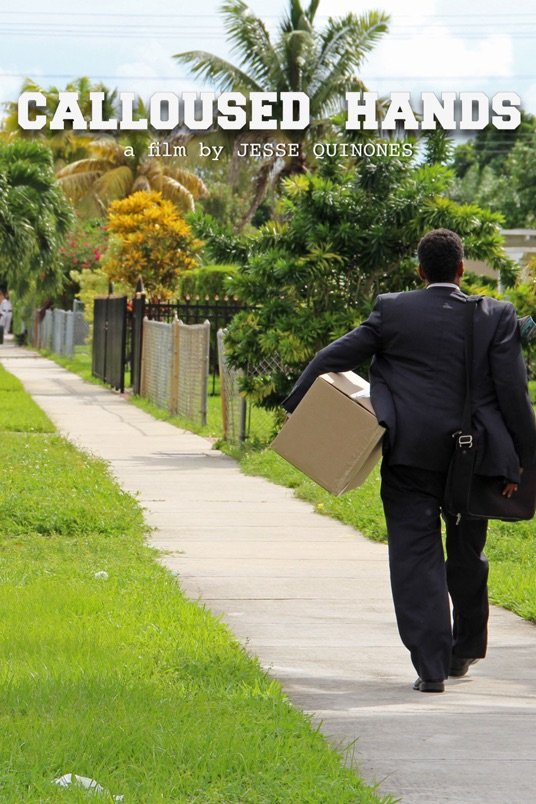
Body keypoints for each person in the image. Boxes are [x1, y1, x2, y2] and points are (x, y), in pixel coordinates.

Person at [282, 229, 536, 693]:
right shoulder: (497, 315)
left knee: (415, 556)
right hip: (473, 458)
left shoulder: (393, 310)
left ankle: (432, 667)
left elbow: (330, 357)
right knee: (466, 553)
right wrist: (523, 460)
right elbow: (513, 395)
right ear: (461, 270)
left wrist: (297, 412)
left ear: (420, 272)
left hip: (411, 457)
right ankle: (463, 651)